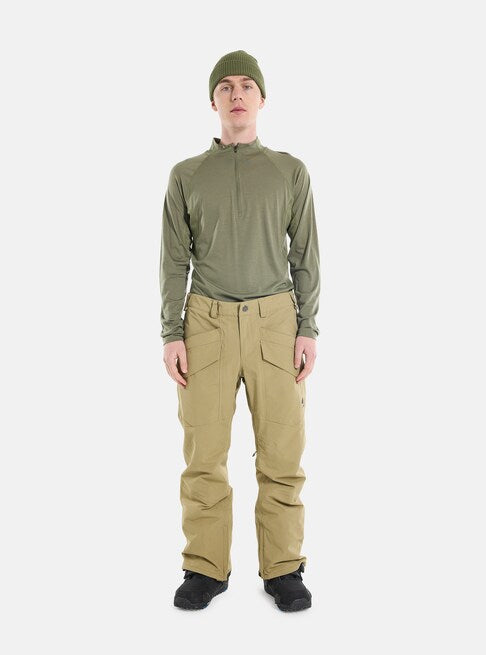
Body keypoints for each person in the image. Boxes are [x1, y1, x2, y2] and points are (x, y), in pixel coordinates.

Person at [159, 50, 320, 611]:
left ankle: (284, 568)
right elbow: (173, 260)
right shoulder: (186, 175)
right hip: (205, 323)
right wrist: (171, 332)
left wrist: (307, 327)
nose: (236, 94)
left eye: (247, 85)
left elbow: (305, 255)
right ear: (213, 100)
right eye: (225, 86)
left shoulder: (289, 171)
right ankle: (204, 567)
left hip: (276, 323)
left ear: (262, 99)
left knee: (282, 453)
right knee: (204, 453)